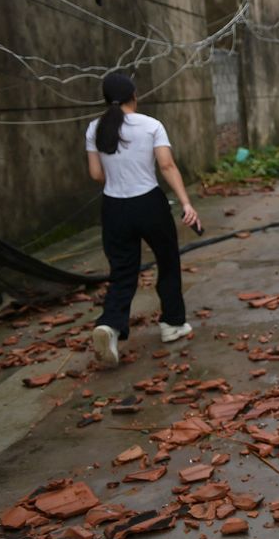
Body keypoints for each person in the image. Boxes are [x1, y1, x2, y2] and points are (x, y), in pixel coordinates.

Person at [85, 73, 201, 366]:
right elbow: (166, 165)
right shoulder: (151, 125)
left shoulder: (94, 128)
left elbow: (96, 175)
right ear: (133, 96)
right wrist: (186, 203)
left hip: (114, 207)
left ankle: (110, 325)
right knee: (167, 260)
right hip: (149, 203)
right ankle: (172, 324)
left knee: (122, 270)